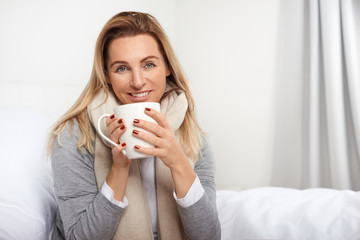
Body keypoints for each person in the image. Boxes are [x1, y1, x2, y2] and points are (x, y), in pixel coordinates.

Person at [48, 11, 221, 240]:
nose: (138, 82)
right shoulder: (72, 136)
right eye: (122, 68)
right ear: (106, 74)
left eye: (149, 64)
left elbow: (209, 237)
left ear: (167, 67)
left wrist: (178, 163)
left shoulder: (192, 135)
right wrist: (119, 169)